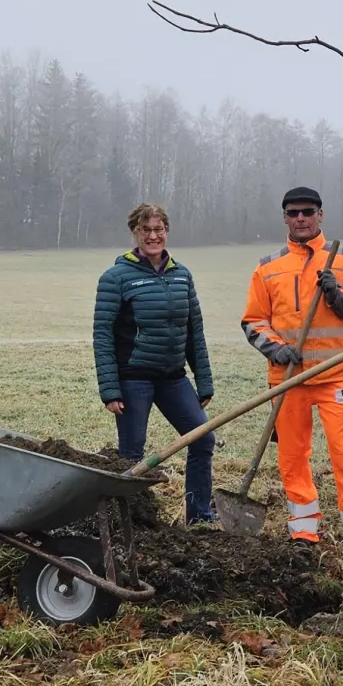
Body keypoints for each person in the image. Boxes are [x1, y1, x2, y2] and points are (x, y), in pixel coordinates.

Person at [241, 186, 343, 544]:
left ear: (321, 215)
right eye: (293, 212)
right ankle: (304, 526)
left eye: (307, 211)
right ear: (285, 217)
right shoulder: (267, 267)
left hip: (336, 375)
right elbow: (253, 320)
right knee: (292, 455)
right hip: (288, 378)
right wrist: (275, 348)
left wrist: (338, 296)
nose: (300, 218)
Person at [92, 202, 218, 525]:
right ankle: (132, 522)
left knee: (202, 439)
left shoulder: (181, 276)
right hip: (133, 380)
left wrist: (203, 381)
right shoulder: (116, 278)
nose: (152, 235)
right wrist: (110, 390)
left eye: (158, 229)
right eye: (145, 230)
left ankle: (199, 515)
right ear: (135, 233)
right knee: (133, 455)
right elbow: (103, 335)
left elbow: (194, 330)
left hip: (173, 378)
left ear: (167, 231)